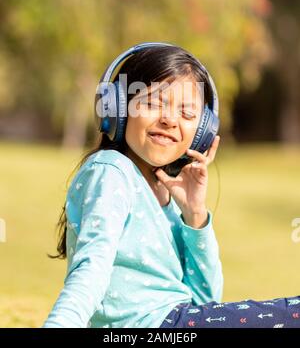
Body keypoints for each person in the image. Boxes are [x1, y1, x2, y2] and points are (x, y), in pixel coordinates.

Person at [43, 43, 300, 328]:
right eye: (152, 103)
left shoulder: (164, 197)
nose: (168, 120)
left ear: (202, 133)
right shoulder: (112, 172)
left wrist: (194, 215)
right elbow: (92, 267)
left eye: (187, 114)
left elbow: (206, 301)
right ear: (115, 106)